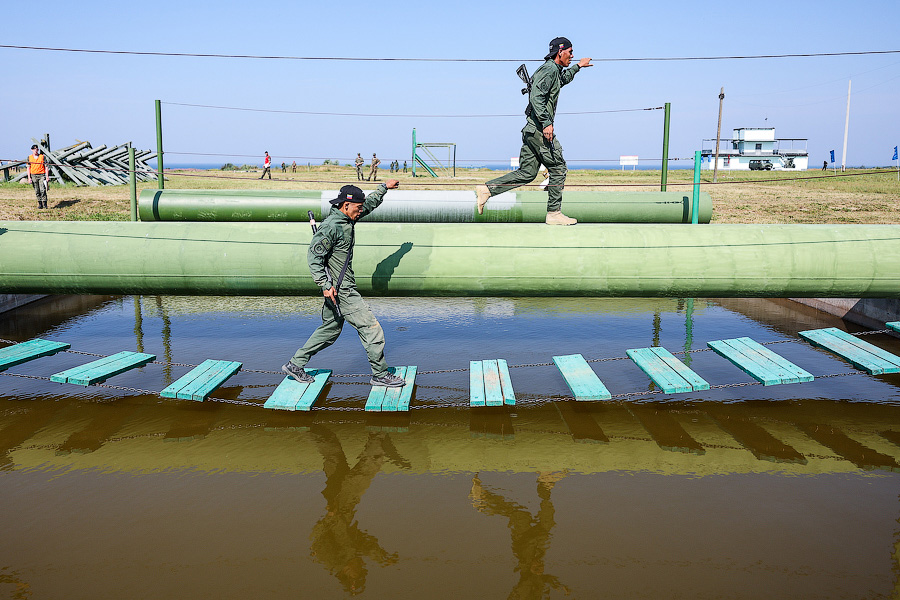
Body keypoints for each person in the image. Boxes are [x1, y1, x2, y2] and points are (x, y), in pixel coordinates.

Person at [282, 180, 406, 388]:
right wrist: (324, 284)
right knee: (371, 328)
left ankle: (295, 364)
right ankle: (380, 374)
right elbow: (314, 257)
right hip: (342, 290)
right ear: (345, 206)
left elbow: (369, 205)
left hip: (339, 288)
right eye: (357, 208)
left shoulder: (348, 218)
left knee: (330, 329)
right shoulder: (332, 227)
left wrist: (384, 187)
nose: (360, 211)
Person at [475, 37, 592, 225]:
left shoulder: (553, 70)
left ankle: (488, 190)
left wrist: (578, 67)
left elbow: (561, 81)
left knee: (528, 173)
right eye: (570, 52)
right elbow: (536, 96)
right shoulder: (549, 70)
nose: (572, 55)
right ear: (560, 52)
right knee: (558, 167)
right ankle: (554, 213)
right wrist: (546, 123)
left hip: (531, 129)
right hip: (539, 129)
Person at [27, 144, 49, 209]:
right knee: (37, 190)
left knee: (43, 190)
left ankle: (45, 204)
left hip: (42, 175)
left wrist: (47, 176)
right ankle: (40, 204)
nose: (35, 151)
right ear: (32, 150)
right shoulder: (29, 157)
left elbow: (46, 167)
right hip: (33, 175)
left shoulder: (42, 157)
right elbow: (28, 168)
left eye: (36, 149)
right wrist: (29, 177)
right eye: (34, 149)